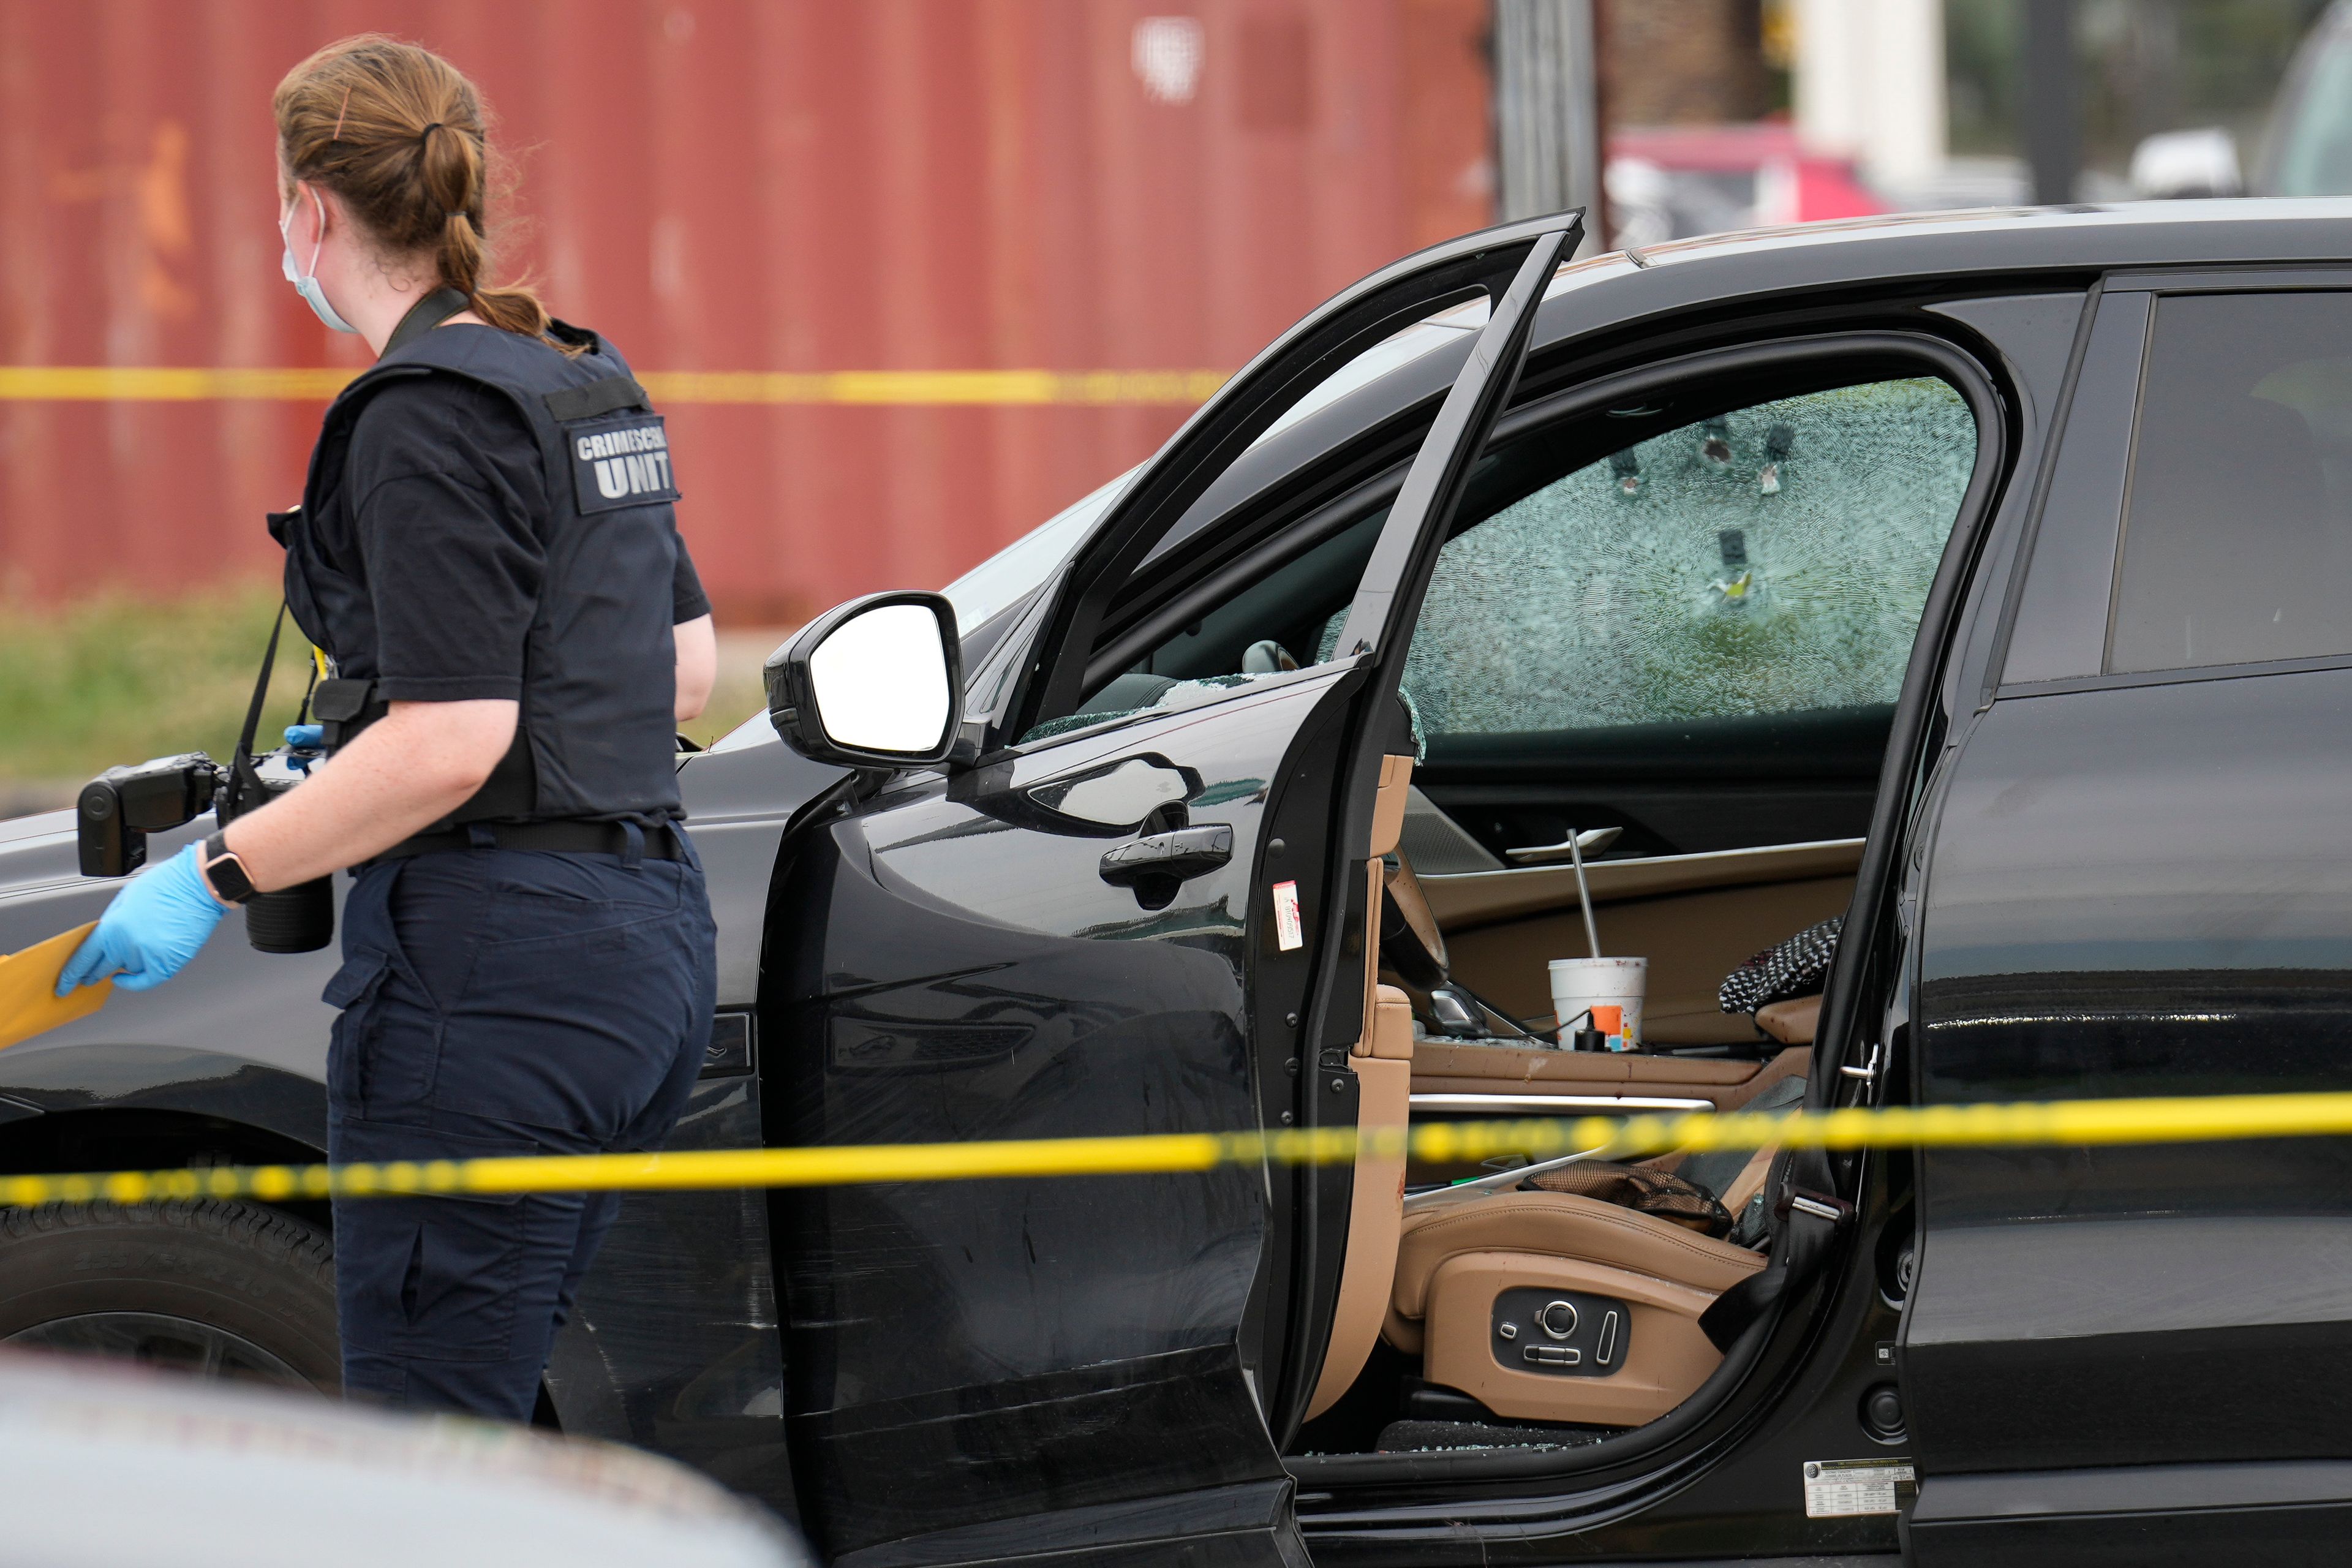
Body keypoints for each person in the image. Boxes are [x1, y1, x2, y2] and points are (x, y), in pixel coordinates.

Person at [56, 34, 721, 1421]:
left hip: (497, 982)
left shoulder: (420, 417)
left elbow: (455, 739)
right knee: (498, 1413)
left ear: (309, 209)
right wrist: (363, 756)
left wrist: (217, 868)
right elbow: (680, 674)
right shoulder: (581, 377)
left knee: (426, 1446)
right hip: (643, 960)